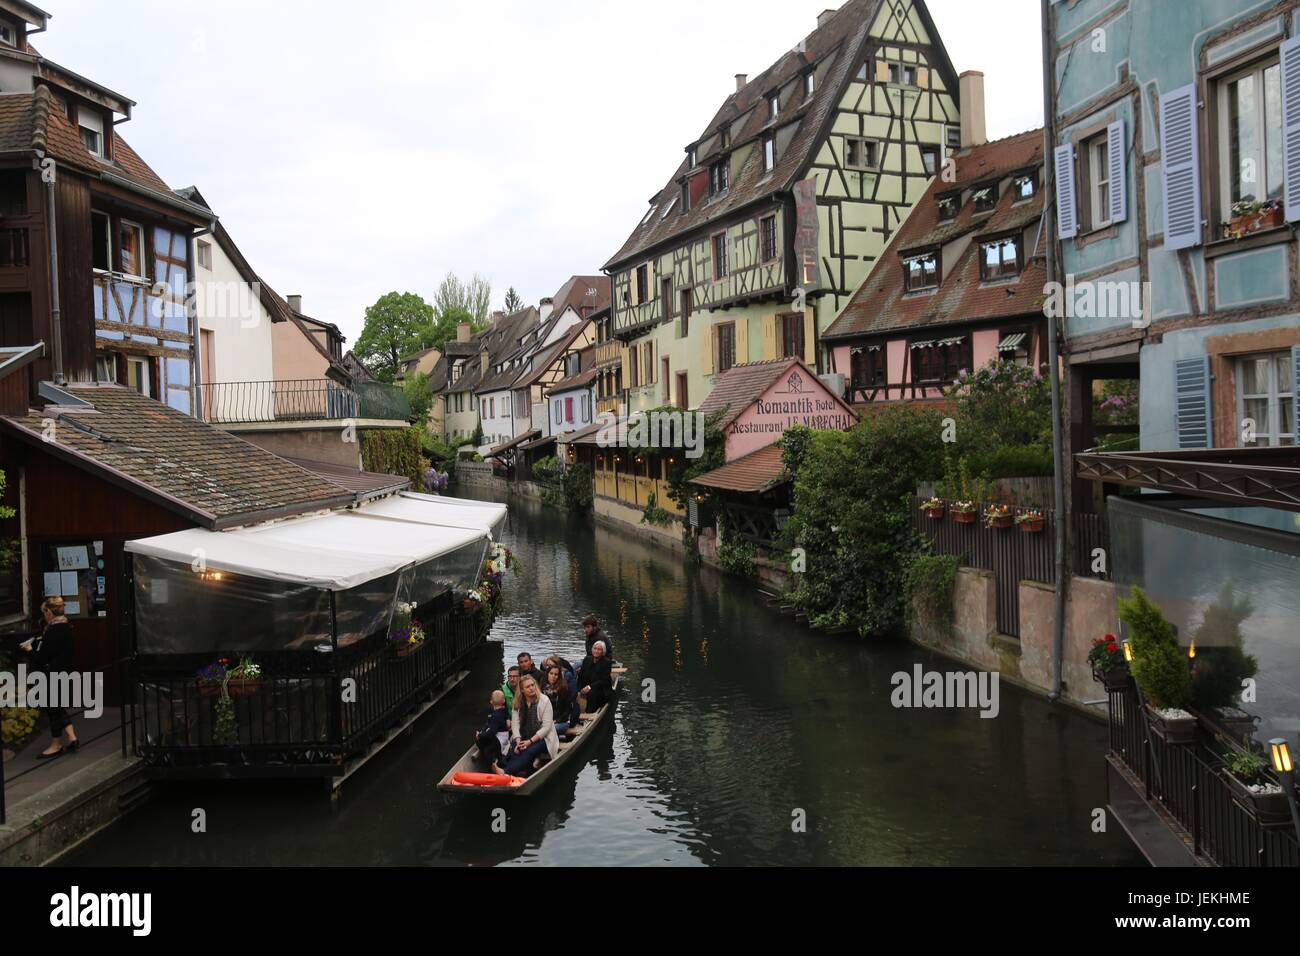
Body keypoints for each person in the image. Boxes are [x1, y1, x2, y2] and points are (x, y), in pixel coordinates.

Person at [19, 597, 78, 759]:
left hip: (52, 674)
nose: (44, 616)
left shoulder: (53, 630)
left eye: (44, 612)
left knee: (53, 709)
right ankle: (72, 738)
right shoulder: (66, 626)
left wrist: (29, 649)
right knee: (57, 706)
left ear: (49, 612)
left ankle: (56, 744)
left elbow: (41, 659)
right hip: (62, 672)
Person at [499, 675, 558, 777]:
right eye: (528, 687)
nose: (531, 688)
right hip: (523, 735)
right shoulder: (517, 701)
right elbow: (515, 723)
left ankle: (505, 772)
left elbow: (547, 727)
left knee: (529, 751)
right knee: (514, 750)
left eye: (532, 685)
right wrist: (518, 741)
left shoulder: (544, 700)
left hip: (543, 737)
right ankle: (516, 771)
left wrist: (529, 742)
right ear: (522, 690)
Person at [474, 690, 511, 771]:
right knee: (483, 739)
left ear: (491, 701)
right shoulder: (502, 710)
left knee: (487, 749)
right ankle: (495, 757)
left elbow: (491, 733)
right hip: (503, 736)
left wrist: (480, 735)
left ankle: (493, 766)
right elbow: (488, 724)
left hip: (500, 739)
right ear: (504, 701)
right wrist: (482, 732)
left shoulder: (496, 716)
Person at [576, 639, 614, 715]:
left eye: (599, 649)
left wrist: (589, 687)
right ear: (592, 649)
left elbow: (604, 681)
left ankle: (589, 713)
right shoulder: (587, 659)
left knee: (592, 694)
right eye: (595, 649)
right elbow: (581, 676)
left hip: (600, 690)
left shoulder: (606, 662)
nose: (596, 651)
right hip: (586, 687)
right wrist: (578, 690)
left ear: (603, 651)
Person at [541, 665, 572, 736]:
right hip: (545, 721)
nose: (553, 676)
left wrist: (556, 721)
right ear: (547, 674)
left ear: (559, 676)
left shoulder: (563, 689)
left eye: (556, 674)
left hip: (561, 721)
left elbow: (567, 710)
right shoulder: (542, 688)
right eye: (551, 673)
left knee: (546, 731)